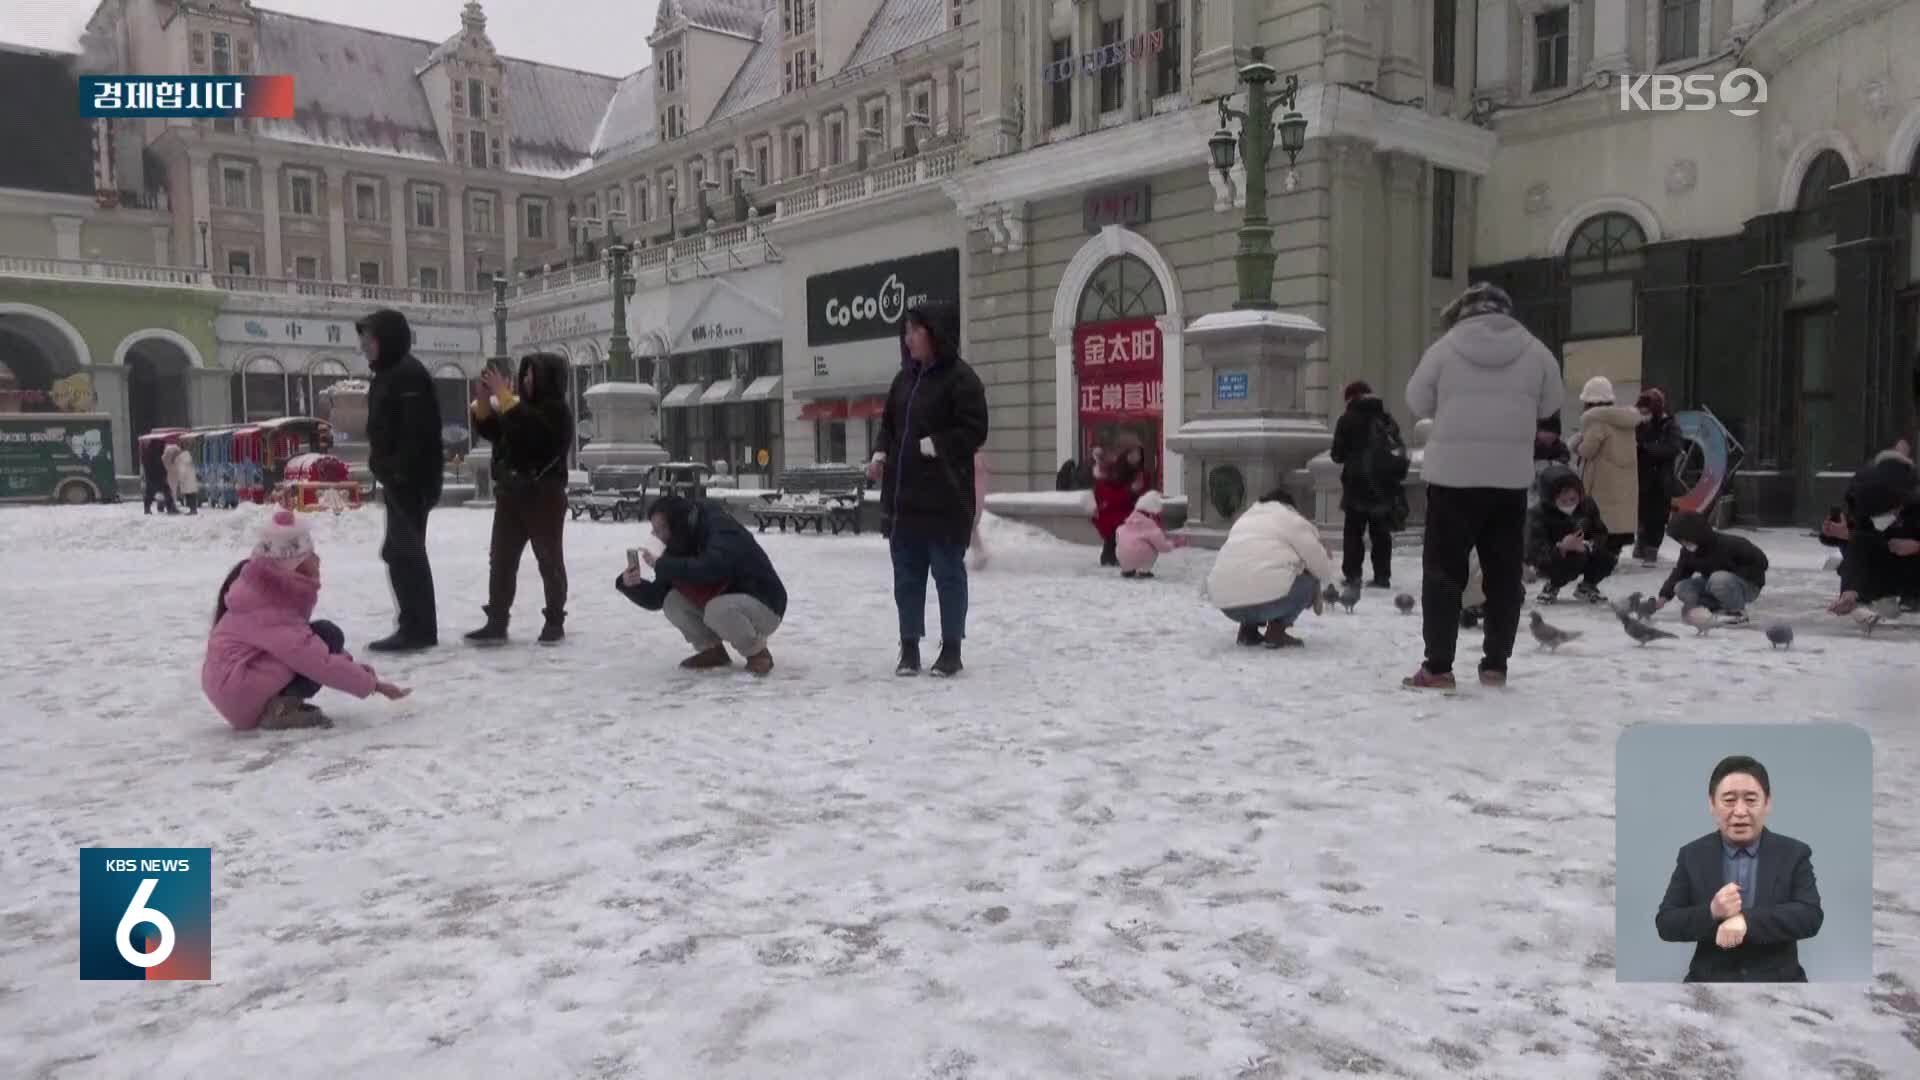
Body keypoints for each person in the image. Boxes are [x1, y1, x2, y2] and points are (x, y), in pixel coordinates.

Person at [1403, 282, 1565, 690]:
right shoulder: (1535, 350)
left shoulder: (1444, 348)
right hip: (1508, 480)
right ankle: (1495, 664)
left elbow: (1417, 401)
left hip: (1451, 479)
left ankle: (1438, 668)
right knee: (1504, 571)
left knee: (1443, 572)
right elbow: (1550, 405)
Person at [865, 301, 989, 677]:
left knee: (948, 574)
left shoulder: (962, 380)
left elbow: (974, 431)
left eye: (916, 330)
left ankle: (951, 648)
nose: (909, 338)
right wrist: (880, 453)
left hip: (945, 499)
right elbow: (888, 425)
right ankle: (909, 648)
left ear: (936, 333)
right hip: (904, 501)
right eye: (906, 331)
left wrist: (936, 443)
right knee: (907, 576)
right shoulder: (903, 381)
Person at [201, 510, 410, 730]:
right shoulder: (270, 607)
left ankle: (277, 703)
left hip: (235, 689)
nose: (318, 560)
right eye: (310, 555)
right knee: (326, 636)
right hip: (241, 695)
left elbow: (314, 650)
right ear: (293, 566)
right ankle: (281, 710)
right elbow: (317, 660)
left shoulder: (262, 594)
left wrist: (361, 674)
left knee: (321, 638)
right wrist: (374, 685)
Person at [1655, 755, 1822, 982]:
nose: (1740, 811)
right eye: (1729, 800)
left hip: (1779, 984)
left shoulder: (1794, 853)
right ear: (1712, 804)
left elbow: (1810, 915)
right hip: (1709, 985)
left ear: (1768, 803)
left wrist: (1746, 921)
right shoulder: (1692, 855)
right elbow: (1666, 923)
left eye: (1751, 800)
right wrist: (1712, 911)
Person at [464, 353, 575, 645]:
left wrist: (504, 396)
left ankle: (554, 619)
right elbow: (496, 431)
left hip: (543, 495)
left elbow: (534, 433)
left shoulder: (557, 411)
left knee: (549, 560)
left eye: (531, 374)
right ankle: (497, 619)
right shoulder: (518, 408)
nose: (526, 380)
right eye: (524, 374)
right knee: (500, 559)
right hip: (511, 494)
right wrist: (485, 401)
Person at [614, 495, 787, 675]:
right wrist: (629, 584)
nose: (657, 536)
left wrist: (663, 565)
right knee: (672, 602)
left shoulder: (719, 526)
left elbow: (712, 567)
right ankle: (712, 650)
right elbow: (658, 597)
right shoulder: (677, 542)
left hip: (766, 603)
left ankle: (758, 653)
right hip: (727, 602)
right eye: (655, 530)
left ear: (678, 523)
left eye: (662, 529)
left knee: (717, 609)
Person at [358, 308, 444, 652]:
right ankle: (415, 624)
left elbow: (418, 433)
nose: (364, 347)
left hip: (410, 482)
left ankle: (419, 629)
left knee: (406, 552)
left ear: (386, 340)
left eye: (369, 340)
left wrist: (396, 471)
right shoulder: (390, 374)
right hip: (401, 480)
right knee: (399, 551)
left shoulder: (407, 375)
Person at [1205, 489, 1338, 649]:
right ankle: (1276, 631)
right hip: (1264, 604)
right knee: (1306, 582)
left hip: (1227, 605)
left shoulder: (1244, 519)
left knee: (1253, 575)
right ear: (1290, 507)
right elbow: (1320, 566)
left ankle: (1248, 631)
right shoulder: (1290, 519)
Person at [1329, 380, 1409, 589]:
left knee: (1354, 532)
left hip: (1356, 484)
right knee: (1381, 533)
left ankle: (1353, 575)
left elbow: (1337, 455)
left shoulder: (1347, 419)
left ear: (1350, 398)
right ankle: (1382, 576)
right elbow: (1397, 447)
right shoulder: (1385, 417)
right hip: (1383, 484)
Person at [1825, 441, 1920, 616]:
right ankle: (1863, 597)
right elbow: (1859, 549)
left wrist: (1916, 547)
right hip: (1886, 573)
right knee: (1859, 545)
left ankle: (1912, 595)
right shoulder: (1866, 500)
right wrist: (1850, 590)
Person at [1652, 511, 1769, 624]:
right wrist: (1663, 597)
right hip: (1715, 584)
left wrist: (1733, 574)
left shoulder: (1731, 544)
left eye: (1684, 538)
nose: (1683, 542)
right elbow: (1680, 573)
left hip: (1748, 585)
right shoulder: (1689, 551)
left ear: (1694, 534)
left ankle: (1737, 613)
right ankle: (1712, 609)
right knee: (1681, 587)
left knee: (1719, 579)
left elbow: (1762, 562)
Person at [1526, 464, 1616, 604]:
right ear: (1551, 499)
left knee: (1607, 557)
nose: (1569, 504)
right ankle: (1552, 586)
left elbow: (1600, 532)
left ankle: (1587, 586)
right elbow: (1535, 550)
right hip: (1553, 561)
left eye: (1573, 499)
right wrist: (1562, 547)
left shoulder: (1587, 506)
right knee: (1575, 559)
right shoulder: (1538, 514)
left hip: (1583, 551)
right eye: (1563, 501)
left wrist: (1588, 545)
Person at [1569, 376, 1639, 556]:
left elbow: (1587, 451)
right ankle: (1613, 550)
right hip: (1622, 478)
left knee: (1600, 519)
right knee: (1617, 519)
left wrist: (1575, 441)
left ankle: (1602, 555)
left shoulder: (1597, 421)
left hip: (1602, 480)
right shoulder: (1625, 422)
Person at [1633, 388, 1685, 566]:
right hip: (1640, 477)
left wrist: (1645, 449)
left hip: (1660, 480)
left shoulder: (1670, 425)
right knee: (1642, 513)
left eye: (1646, 410)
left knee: (1657, 516)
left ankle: (1651, 550)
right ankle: (1641, 543)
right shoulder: (1639, 424)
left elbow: (1673, 448)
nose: (1643, 413)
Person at [1092, 439, 1150, 568]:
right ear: (1126, 454)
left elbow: (1144, 496)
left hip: (1129, 513)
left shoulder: (1141, 474)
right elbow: (1106, 495)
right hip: (1111, 512)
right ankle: (1111, 556)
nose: (1136, 457)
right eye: (1133, 453)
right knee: (1115, 531)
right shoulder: (1113, 471)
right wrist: (1129, 491)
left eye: (1139, 454)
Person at [1116, 489, 1187, 578]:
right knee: (1151, 546)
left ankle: (1127, 569)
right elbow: (1162, 547)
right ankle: (1144, 570)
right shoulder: (1151, 527)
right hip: (1142, 558)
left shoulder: (1127, 523)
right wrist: (1174, 544)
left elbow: (1118, 533)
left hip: (1123, 559)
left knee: (1127, 543)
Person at [141, 438, 176, 515]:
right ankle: (170, 508)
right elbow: (160, 464)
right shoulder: (157, 453)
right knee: (165, 491)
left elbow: (146, 464)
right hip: (158, 476)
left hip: (151, 476)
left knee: (150, 493)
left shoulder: (147, 451)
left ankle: (148, 509)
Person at [970, 448, 991, 570]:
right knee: (971, 528)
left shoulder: (971, 461)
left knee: (969, 529)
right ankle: (980, 553)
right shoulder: (980, 460)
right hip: (976, 503)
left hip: (969, 502)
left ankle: (980, 554)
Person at [165, 442, 200, 514]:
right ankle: (193, 509)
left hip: (186, 480)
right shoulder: (187, 456)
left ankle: (192, 510)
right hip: (191, 479)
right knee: (192, 494)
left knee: (189, 495)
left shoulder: (181, 458)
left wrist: (180, 478)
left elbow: (182, 470)